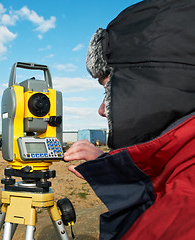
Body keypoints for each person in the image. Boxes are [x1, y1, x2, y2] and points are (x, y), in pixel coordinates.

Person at [64, 0, 195, 239]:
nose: (102, 110)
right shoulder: (185, 175)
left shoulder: (184, 215)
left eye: (109, 91)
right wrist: (115, 168)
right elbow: (158, 193)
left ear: (160, 87)